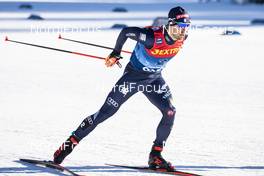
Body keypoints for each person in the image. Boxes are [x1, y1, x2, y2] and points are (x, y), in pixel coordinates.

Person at [53, 6, 191, 171]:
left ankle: (155, 155)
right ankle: (69, 144)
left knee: (170, 111)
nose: (181, 33)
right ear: (169, 25)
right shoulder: (151, 38)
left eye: (185, 28)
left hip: (154, 79)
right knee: (104, 113)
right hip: (132, 78)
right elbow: (126, 32)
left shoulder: (182, 38)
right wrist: (115, 53)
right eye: (178, 28)